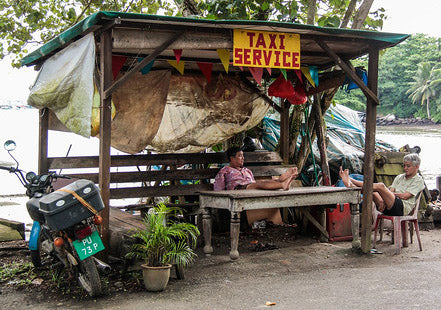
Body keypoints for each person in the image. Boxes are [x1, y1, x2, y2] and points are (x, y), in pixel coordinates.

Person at [214, 146, 298, 225]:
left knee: (261, 182)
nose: (243, 158)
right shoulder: (225, 170)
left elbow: (254, 182)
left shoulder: (246, 170)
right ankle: (282, 184)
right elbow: (218, 189)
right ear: (232, 158)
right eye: (240, 156)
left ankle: (280, 180)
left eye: (243, 156)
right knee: (257, 184)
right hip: (238, 189)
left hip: (251, 188)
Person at [339, 153, 425, 217]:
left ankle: (351, 181)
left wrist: (385, 193)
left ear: (416, 167)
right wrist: (383, 197)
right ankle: (351, 186)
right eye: (404, 166)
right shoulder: (400, 177)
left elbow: (405, 196)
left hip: (401, 209)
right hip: (386, 206)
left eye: (408, 166)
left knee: (380, 186)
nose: (405, 168)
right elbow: (391, 192)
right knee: (372, 192)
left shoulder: (418, 180)